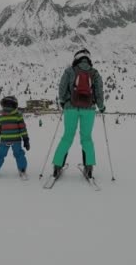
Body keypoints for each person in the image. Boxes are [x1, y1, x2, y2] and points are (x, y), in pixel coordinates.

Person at [52, 49, 105, 179]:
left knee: (67, 137)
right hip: (88, 109)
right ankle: (89, 168)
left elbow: (62, 87)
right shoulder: (94, 73)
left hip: (71, 108)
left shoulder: (69, 71)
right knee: (86, 138)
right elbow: (99, 91)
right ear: (88, 59)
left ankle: (57, 166)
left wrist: (63, 102)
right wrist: (101, 106)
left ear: (76, 58)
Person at [0, 96, 30, 180]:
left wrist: (26, 139)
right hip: (7, 141)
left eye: (9, 105)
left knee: (11, 154)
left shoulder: (17, 116)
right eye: (6, 105)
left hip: (13, 141)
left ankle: (22, 169)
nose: (7, 108)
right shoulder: (3, 117)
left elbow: (22, 128)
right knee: (11, 154)